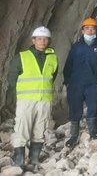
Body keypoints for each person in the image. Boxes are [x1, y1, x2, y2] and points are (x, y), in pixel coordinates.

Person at [8, 26, 57, 168]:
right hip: (27, 100)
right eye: (39, 39)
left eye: (45, 39)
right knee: (22, 129)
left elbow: (51, 77)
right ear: (33, 40)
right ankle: (19, 162)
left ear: (49, 41)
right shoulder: (22, 57)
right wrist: (20, 94)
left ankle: (34, 159)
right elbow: (12, 78)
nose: (42, 41)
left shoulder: (53, 57)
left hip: (44, 100)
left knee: (39, 129)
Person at [63, 18, 97, 148]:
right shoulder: (76, 47)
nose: (90, 31)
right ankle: (74, 136)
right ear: (83, 30)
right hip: (76, 83)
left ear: (96, 30)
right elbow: (68, 65)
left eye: (93, 28)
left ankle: (93, 133)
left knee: (93, 107)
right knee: (74, 108)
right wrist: (67, 81)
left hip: (93, 83)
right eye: (87, 28)